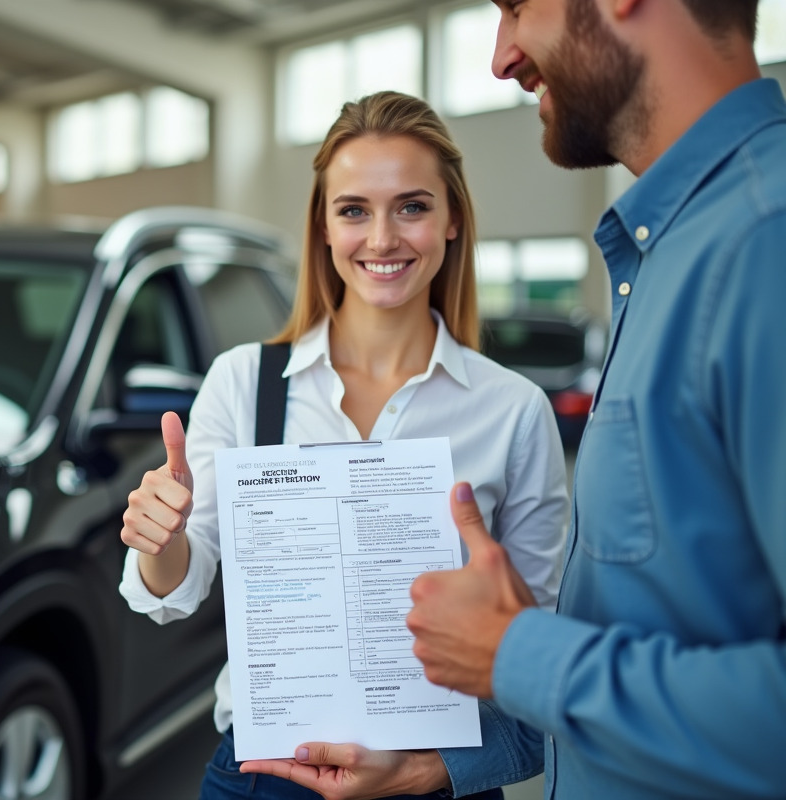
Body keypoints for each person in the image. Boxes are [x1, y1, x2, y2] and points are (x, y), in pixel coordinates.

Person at [119, 91, 569, 800]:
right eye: (354, 209)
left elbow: (547, 658)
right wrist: (159, 538)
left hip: (436, 777)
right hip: (264, 777)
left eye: (412, 207)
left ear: (452, 220)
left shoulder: (513, 412)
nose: (382, 238)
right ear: (323, 229)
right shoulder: (243, 384)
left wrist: (427, 770)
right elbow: (178, 585)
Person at [403, 1, 786, 798]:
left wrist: (515, 654)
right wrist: (436, 762)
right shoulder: (670, 250)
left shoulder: (765, 243)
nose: (502, 58)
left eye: (516, 7)